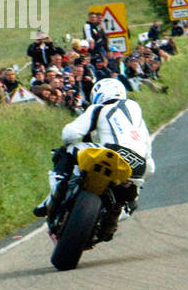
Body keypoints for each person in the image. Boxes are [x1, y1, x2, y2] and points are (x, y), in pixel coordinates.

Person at [32, 78, 154, 243]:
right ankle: (111, 218)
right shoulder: (139, 120)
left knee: (65, 151)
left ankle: (53, 195)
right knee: (129, 202)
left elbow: (70, 134)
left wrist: (71, 141)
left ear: (98, 95)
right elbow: (150, 165)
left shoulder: (99, 107)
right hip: (138, 165)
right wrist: (136, 189)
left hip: (111, 152)